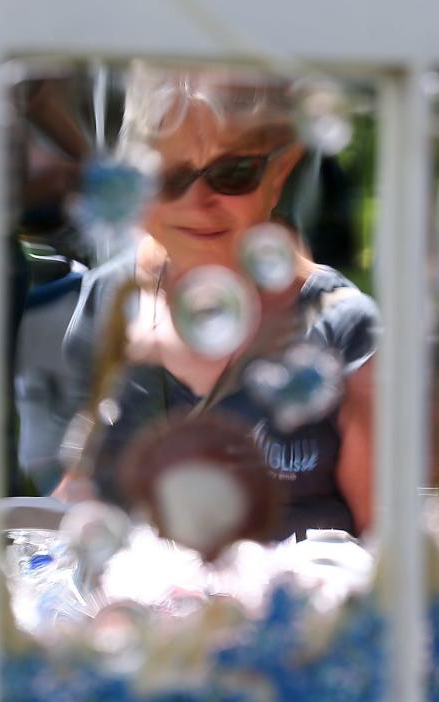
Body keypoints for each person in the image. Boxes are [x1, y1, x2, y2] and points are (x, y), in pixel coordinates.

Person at [54, 64, 377, 541]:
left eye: (234, 173)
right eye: (169, 176)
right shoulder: (109, 301)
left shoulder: (340, 324)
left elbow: (388, 536)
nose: (197, 199)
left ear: (280, 171)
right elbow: (75, 499)